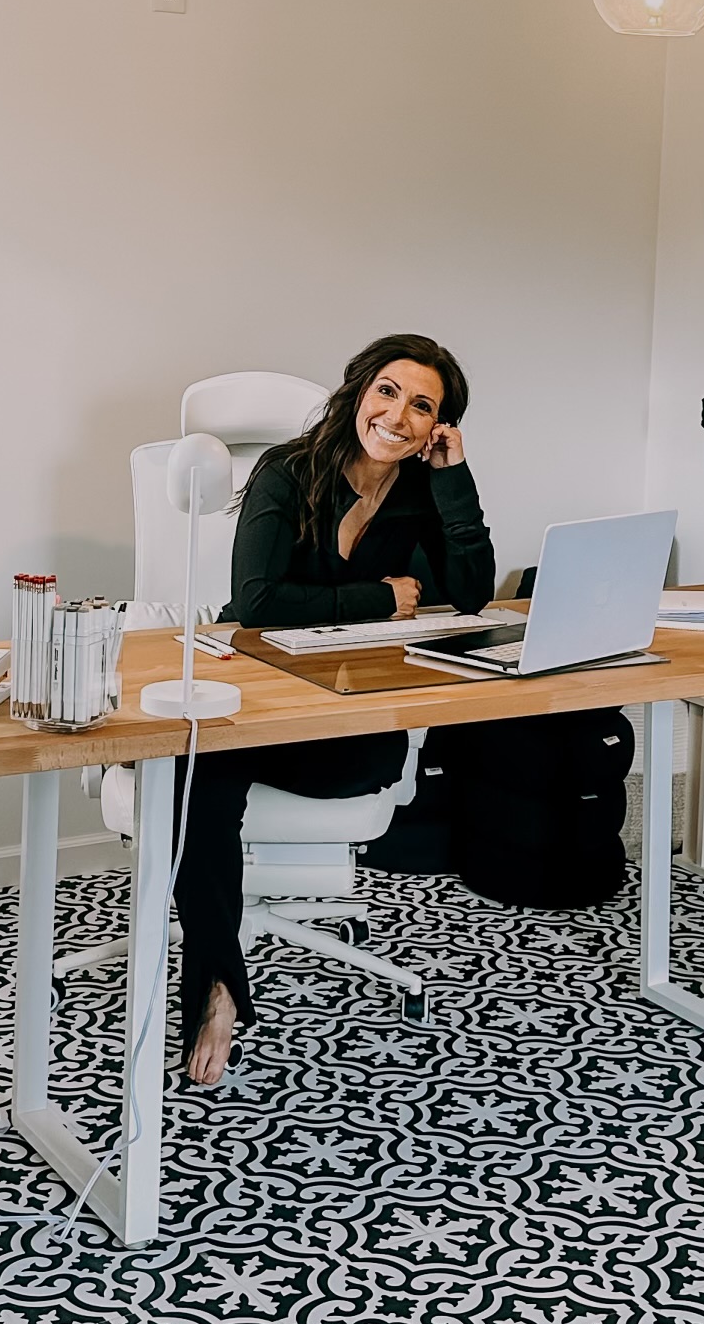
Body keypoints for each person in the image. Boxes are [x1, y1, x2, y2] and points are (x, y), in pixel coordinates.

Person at [177, 332, 494, 1086]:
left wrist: (454, 479)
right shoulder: (286, 472)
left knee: (202, 771)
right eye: (388, 391)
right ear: (358, 392)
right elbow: (257, 603)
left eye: (423, 407)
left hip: (348, 727)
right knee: (200, 772)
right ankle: (217, 985)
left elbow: (473, 594)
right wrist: (379, 598)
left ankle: (214, 972)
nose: (398, 416)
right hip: (257, 700)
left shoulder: (420, 489)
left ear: (438, 426)